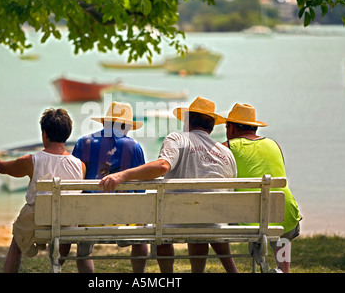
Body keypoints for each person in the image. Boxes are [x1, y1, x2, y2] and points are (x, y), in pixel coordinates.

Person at [100, 96, 239, 273]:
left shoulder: (177, 139)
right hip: (212, 222)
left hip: (176, 220)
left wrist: (122, 175)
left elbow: (163, 166)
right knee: (200, 220)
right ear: (211, 127)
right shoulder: (226, 153)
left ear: (187, 121)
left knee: (161, 226)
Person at [0, 108, 86, 273]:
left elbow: (2, 167)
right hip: (66, 222)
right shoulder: (80, 165)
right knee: (65, 217)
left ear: (44, 134)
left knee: (16, 244)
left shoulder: (32, 161)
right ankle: (57, 267)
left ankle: (24, 249)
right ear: (67, 135)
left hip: (37, 220)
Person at [222, 103, 301, 273]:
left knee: (218, 220)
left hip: (250, 217)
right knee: (280, 227)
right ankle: (283, 270)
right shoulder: (274, 145)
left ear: (233, 128)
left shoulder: (226, 148)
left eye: (226, 126)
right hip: (285, 214)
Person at [71, 101, 149, 273]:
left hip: (89, 219)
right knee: (142, 226)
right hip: (125, 219)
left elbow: (75, 182)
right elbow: (141, 190)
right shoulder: (134, 147)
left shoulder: (83, 143)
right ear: (124, 125)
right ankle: (139, 276)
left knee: (83, 250)